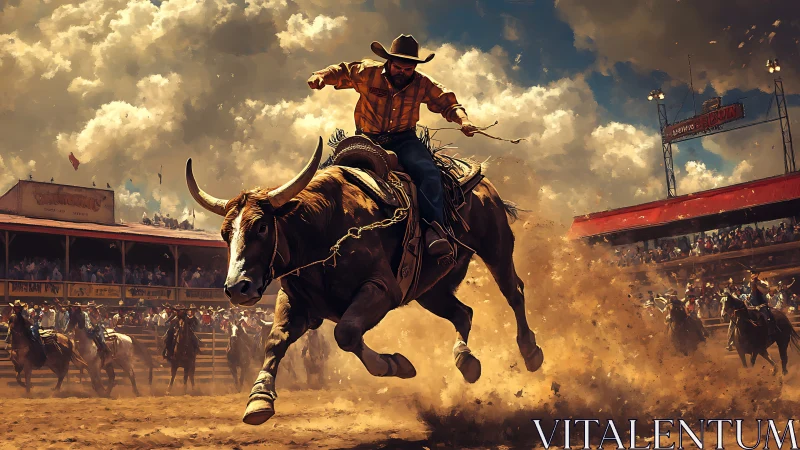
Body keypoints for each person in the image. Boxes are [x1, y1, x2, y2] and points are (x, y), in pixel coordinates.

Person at [308, 34, 479, 260]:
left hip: (404, 139)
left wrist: (463, 121)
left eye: (408, 69)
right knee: (325, 176)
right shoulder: (367, 72)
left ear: (415, 67)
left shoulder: (423, 84)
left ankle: (434, 230)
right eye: (398, 67)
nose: (402, 72)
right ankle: (314, 233)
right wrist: (320, 76)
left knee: (427, 172)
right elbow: (342, 71)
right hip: (367, 139)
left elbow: (448, 103)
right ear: (389, 61)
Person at [749, 272, 777, 340]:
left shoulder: (761, 283)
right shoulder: (752, 283)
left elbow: (766, 290)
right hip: (753, 305)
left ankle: (771, 330)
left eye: (754, 274)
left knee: (767, 316)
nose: (752, 276)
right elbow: (752, 293)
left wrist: (758, 283)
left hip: (762, 304)